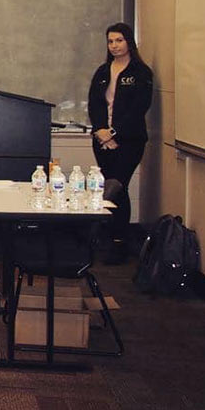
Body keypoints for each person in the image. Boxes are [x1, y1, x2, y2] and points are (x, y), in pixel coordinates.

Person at [87, 22, 152, 264]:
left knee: (115, 185)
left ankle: (107, 237)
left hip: (130, 141)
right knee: (116, 190)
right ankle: (115, 240)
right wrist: (101, 132)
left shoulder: (141, 73)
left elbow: (139, 108)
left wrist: (114, 133)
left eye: (119, 41)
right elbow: (94, 104)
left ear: (129, 42)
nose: (114, 45)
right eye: (110, 41)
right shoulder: (103, 72)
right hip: (102, 140)